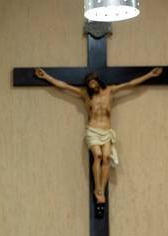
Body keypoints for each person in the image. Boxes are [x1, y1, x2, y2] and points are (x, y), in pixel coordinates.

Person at [35, 67, 161, 213]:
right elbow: (64, 86)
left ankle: (101, 187)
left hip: (106, 131)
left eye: (93, 82)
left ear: (98, 81)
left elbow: (130, 84)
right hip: (93, 131)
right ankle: (98, 189)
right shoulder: (85, 95)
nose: (91, 85)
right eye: (89, 84)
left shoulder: (110, 91)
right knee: (98, 156)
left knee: (106, 158)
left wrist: (150, 75)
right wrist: (46, 77)